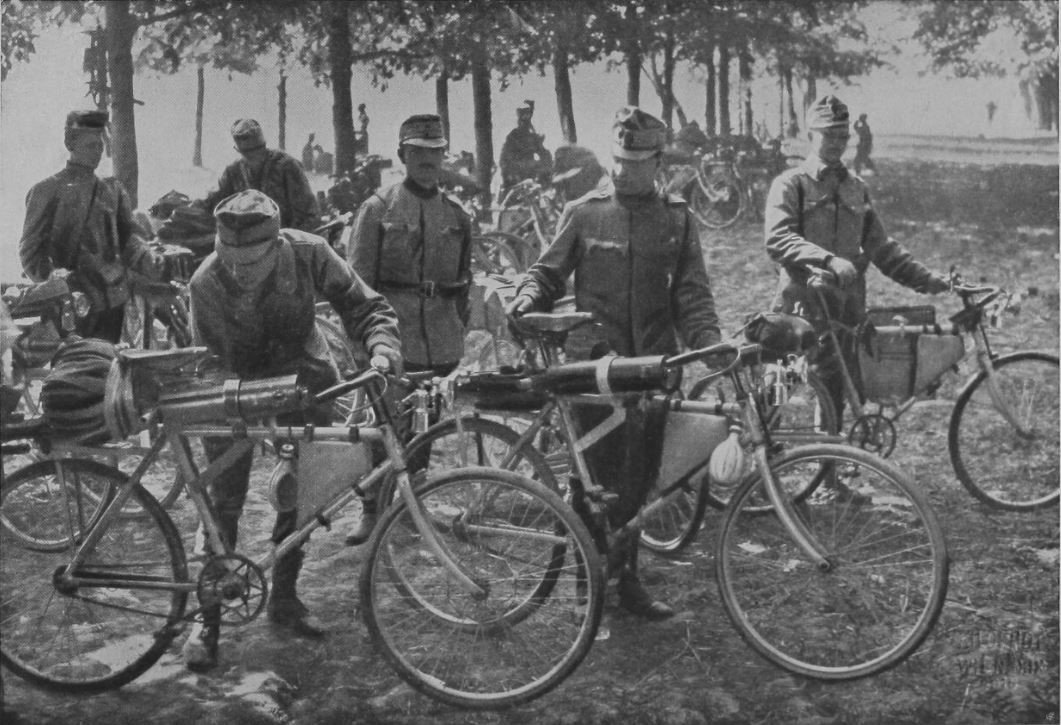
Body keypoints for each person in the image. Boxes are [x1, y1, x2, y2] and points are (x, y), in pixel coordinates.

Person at [506, 107, 723, 621]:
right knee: (592, 484)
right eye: (618, 159)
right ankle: (588, 587)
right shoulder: (584, 213)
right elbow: (547, 272)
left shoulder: (677, 219)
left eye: (635, 162)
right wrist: (527, 297)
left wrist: (710, 343)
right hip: (592, 369)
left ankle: (626, 581)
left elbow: (692, 295)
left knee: (639, 483)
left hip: (651, 368)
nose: (623, 171)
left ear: (658, 163)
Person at [182, 189, 401, 672]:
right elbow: (207, 362)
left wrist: (382, 346)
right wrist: (246, 407)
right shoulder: (205, 282)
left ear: (276, 245)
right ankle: (208, 616)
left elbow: (364, 306)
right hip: (232, 387)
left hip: (305, 376)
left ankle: (284, 597)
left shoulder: (309, 252)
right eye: (230, 259)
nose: (239, 272)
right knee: (223, 500)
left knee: (301, 493)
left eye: (251, 262)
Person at [764, 95, 949, 430]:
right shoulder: (791, 184)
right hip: (799, 309)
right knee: (777, 391)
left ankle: (827, 460)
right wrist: (828, 259)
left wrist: (927, 279)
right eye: (828, 135)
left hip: (843, 313)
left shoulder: (856, 188)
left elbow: (882, 248)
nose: (836, 143)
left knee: (834, 395)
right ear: (810, 135)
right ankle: (759, 453)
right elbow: (778, 238)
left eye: (842, 136)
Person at [345, 113, 473, 544]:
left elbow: (464, 282)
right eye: (418, 152)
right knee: (382, 427)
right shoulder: (378, 209)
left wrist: (455, 329)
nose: (427, 161)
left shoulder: (456, 214)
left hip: (439, 339)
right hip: (392, 337)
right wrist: (364, 344)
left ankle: (412, 504)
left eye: (435, 152)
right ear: (402, 155)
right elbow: (356, 284)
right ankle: (372, 508)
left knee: (425, 426)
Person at [19, 109, 164, 343]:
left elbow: (129, 238)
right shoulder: (45, 191)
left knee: (107, 358)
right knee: (73, 360)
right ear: (70, 144)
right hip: (70, 302)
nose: (97, 152)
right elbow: (30, 253)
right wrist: (53, 278)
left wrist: (150, 258)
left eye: (99, 145)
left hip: (112, 300)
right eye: (90, 145)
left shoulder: (113, 190)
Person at [203, 119, 319, 232]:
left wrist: (288, 238)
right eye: (247, 154)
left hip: (283, 237)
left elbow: (308, 214)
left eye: (257, 151)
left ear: (264, 147)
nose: (253, 157)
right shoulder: (233, 171)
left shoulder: (287, 166)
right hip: (244, 238)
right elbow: (212, 203)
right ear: (240, 152)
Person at [499, 100, 553, 197]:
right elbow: (505, 158)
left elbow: (542, 152)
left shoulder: (532, 137)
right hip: (516, 172)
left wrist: (547, 159)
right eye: (524, 120)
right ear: (519, 121)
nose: (526, 124)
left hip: (530, 172)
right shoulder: (513, 136)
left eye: (528, 120)